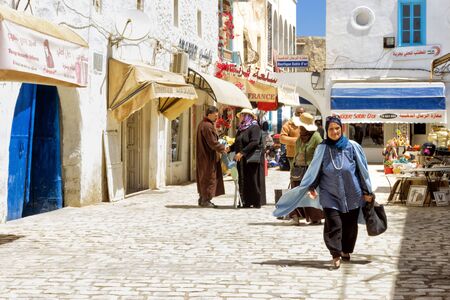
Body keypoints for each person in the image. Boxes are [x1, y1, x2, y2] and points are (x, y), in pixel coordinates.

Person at [273, 116, 374, 269]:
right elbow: (316, 169)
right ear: (327, 131)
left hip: (352, 192)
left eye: (337, 128)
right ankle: (335, 254)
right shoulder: (323, 148)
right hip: (330, 193)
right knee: (334, 223)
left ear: (342, 129)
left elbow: (361, 170)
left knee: (350, 225)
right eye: (331, 129)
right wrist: (312, 187)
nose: (334, 132)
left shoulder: (352, 147)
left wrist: (367, 191)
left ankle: (346, 250)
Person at [288, 113, 323, 225]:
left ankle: (315, 217)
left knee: (311, 193)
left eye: (301, 126)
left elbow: (321, 153)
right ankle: (295, 216)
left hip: (310, 170)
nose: (300, 128)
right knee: (295, 193)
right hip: (298, 169)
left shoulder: (316, 137)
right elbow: (297, 153)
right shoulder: (299, 138)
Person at [231, 108, 266, 208]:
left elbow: (254, 142)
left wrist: (242, 153)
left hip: (251, 159)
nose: (240, 117)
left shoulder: (254, 127)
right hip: (241, 160)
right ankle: (244, 201)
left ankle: (254, 201)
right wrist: (229, 148)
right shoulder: (241, 128)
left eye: (242, 115)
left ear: (247, 116)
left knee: (252, 179)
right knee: (242, 179)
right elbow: (238, 142)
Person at [196, 106, 229, 208]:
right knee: (209, 177)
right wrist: (223, 148)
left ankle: (203, 198)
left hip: (204, 156)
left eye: (217, 115)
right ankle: (206, 200)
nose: (216, 117)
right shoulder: (207, 126)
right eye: (215, 115)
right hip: (208, 157)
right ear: (209, 114)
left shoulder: (204, 124)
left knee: (204, 177)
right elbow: (212, 142)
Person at [280, 106, 304, 175]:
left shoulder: (308, 124)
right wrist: (298, 141)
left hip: (307, 154)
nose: (300, 115)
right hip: (293, 155)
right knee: (295, 176)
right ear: (295, 113)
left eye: (302, 113)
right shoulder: (289, 124)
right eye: (298, 113)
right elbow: (282, 139)